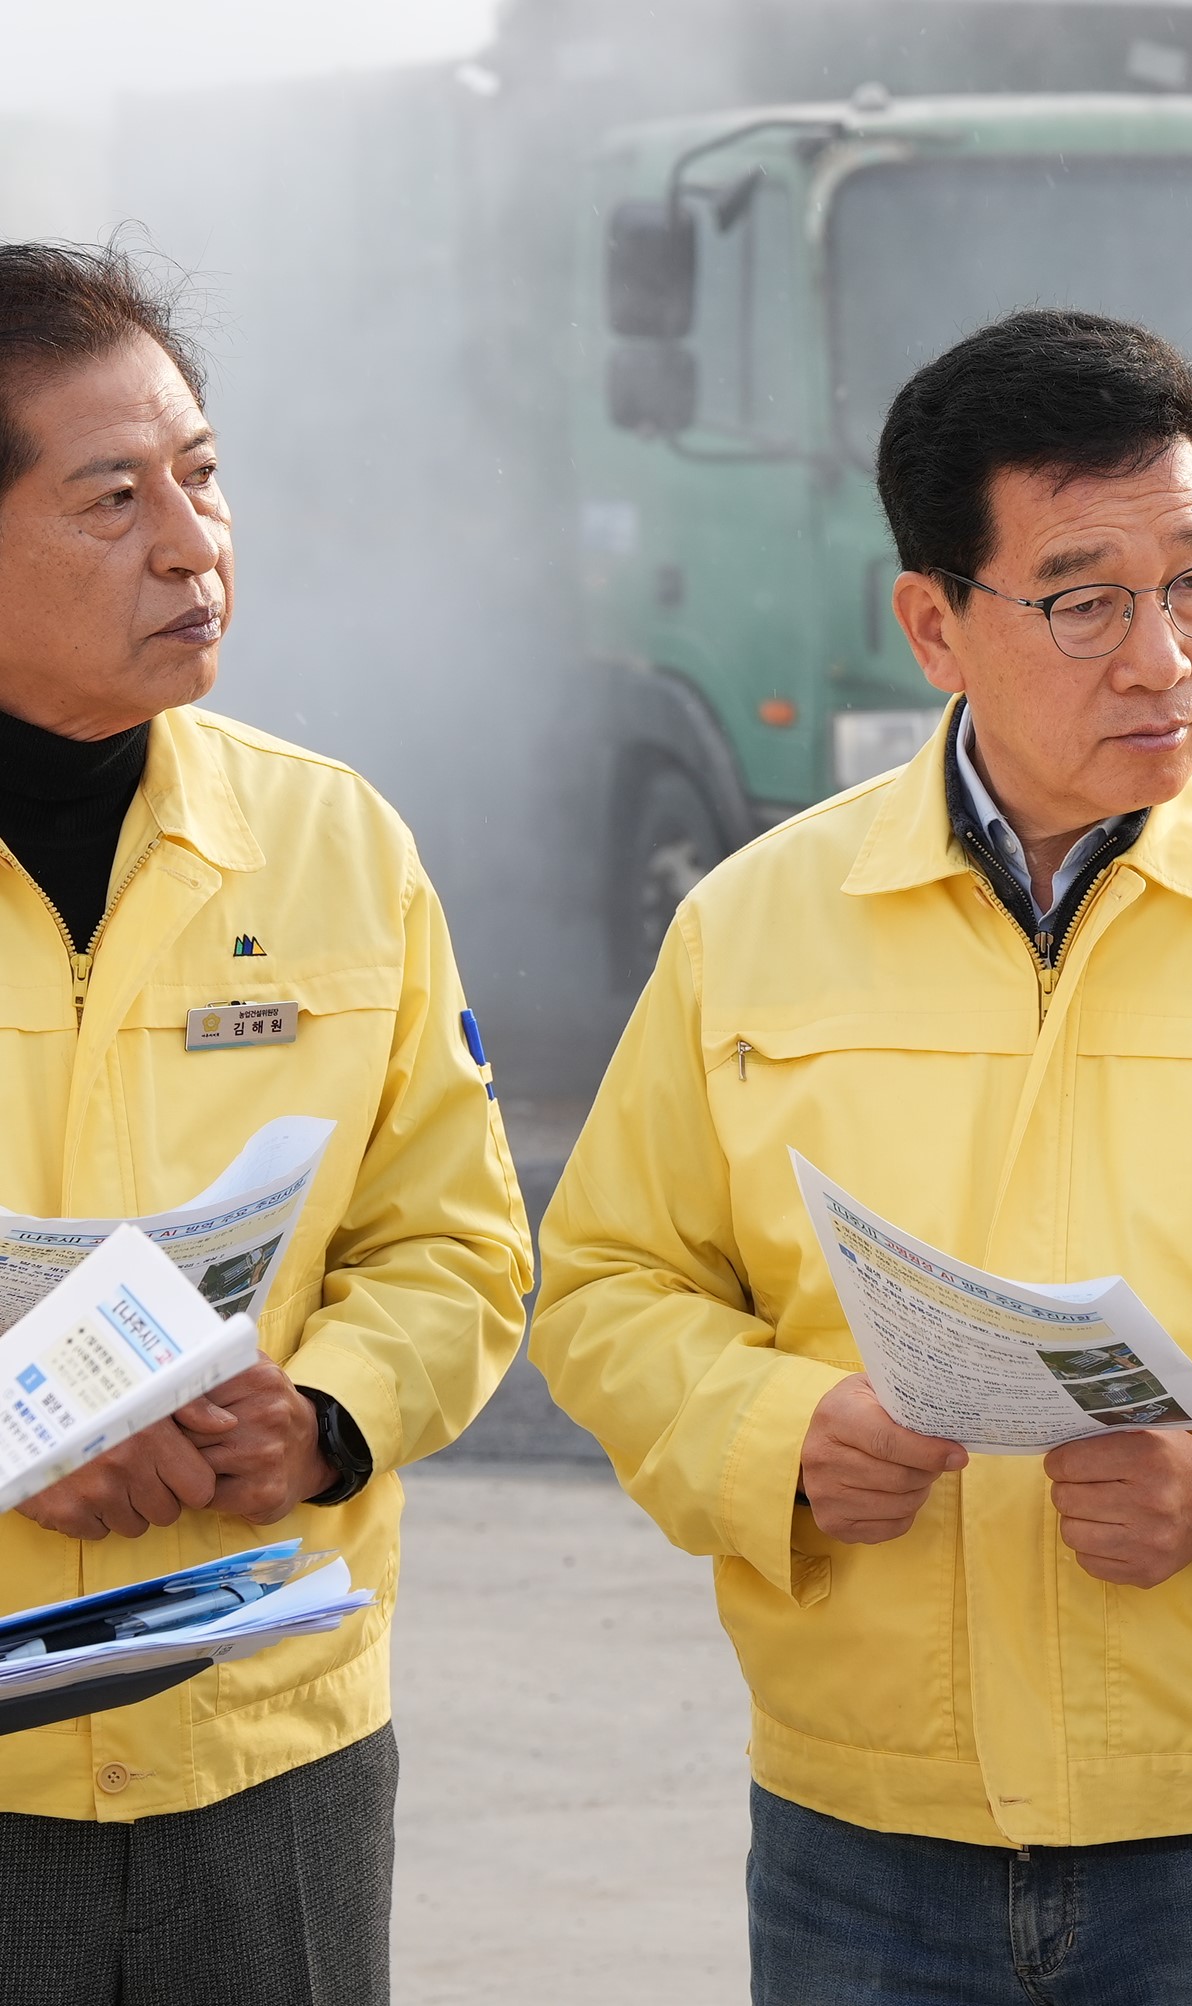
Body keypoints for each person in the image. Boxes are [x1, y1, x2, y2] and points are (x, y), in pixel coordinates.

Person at [528, 308, 1192, 2006]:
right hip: (866, 1834)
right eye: (1085, 601)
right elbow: (605, 1282)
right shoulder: (753, 927)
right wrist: (773, 1435)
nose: (1163, 657)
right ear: (932, 624)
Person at [0, 243, 530, 2003]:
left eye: (203, 475)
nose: (192, 544)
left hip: (267, 1745)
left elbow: (451, 1240)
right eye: (113, 498)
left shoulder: (336, 845)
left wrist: (323, 1418)